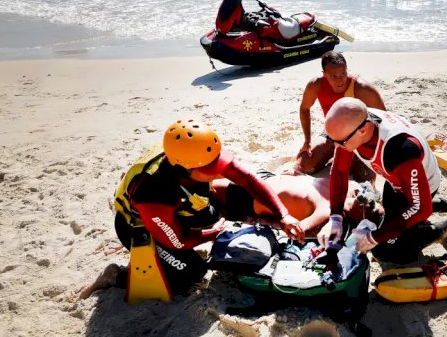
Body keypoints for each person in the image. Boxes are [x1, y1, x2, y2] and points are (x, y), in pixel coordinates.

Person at [79, 119, 303, 300]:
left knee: (233, 197)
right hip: (139, 227)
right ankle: (117, 276)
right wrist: (216, 233)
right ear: (184, 168)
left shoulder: (197, 153)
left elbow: (248, 179)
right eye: (211, 168)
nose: (219, 169)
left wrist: (284, 215)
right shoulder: (155, 192)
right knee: (190, 274)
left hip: (179, 206)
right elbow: (176, 241)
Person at [317, 98, 447, 264]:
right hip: (394, 179)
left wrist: (372, 238)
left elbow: (420, 208)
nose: (336, 146)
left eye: (340, 142)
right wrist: (335, 216)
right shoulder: (354, 119)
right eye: (331, 138)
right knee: (389, 225)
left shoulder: (400, 149)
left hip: (423, 182)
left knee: (388, 251)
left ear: (363, 130)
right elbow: (340, 170)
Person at [292, 51, 386, 177]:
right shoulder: (315, 85)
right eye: (333, 76)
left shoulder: (363, 89)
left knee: (362, 176)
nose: (340, 80)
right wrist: (307, 141)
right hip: (332, 134)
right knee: (304, 165)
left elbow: (385, 119)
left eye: (343, 73)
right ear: (324, 74)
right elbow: (304, 108)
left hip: (359, 138)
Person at [214, 171, 385, 235]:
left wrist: (275, 221)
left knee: (205, 187)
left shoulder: (328, 210)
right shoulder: (351, 188)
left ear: (359, 220)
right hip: (267, 177)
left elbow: (298, 231)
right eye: (370, 200)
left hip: (250, 197)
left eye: (368, 206)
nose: (364, 198)